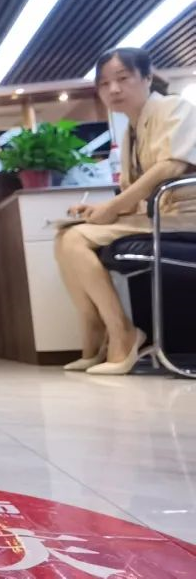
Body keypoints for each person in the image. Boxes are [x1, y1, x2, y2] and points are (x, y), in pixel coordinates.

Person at [56, 47, 196, 375]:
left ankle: (121, 333)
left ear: (147, 78)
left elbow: (170, 168)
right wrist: (98, 209)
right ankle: (95, 332)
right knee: (64, 236)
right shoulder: (129, 131)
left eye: (123, 78)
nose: (114, 89)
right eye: (104, 84)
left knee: (76, 240)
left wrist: (113, 207)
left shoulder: (174, 107)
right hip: (160, 216)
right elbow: (135, 195)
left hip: (186, 216)